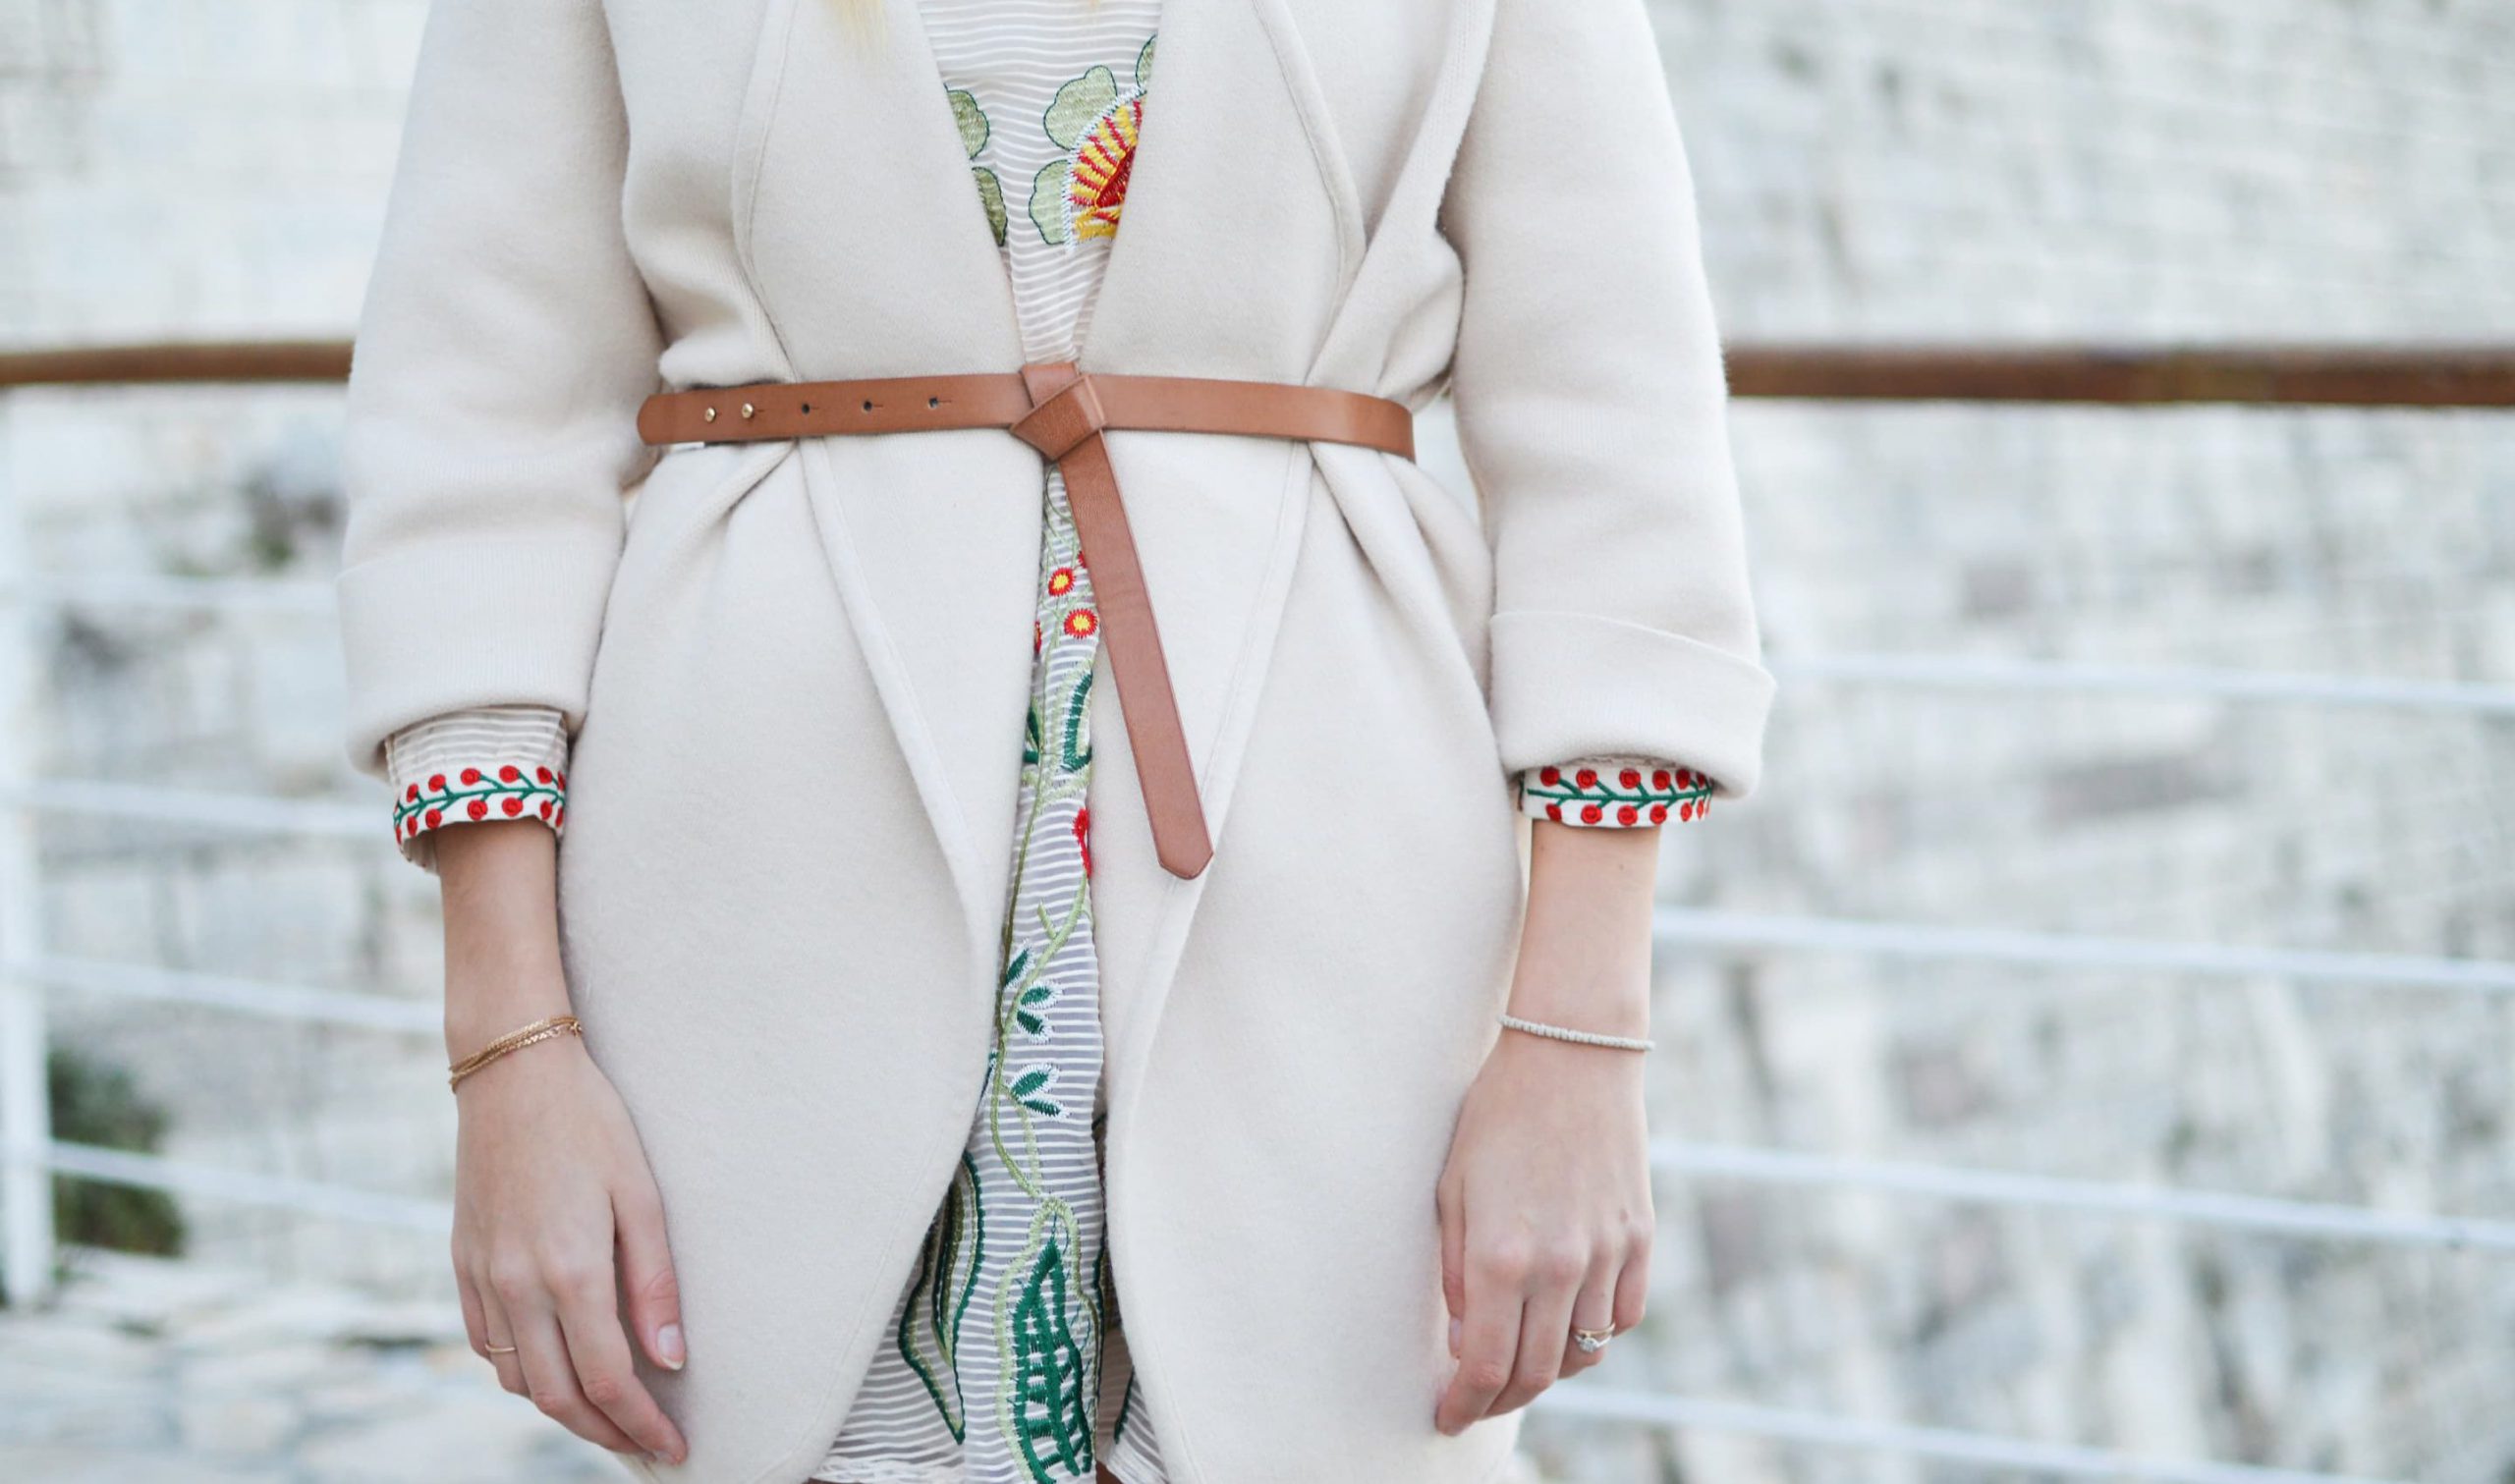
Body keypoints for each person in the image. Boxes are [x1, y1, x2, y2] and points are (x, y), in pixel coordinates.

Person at [334, 1, 1775, 1481]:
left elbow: (1619, 449)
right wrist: (507, 1053)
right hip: (757, 924)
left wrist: (1580, 1042)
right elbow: (478, 443)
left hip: (1334, 918)